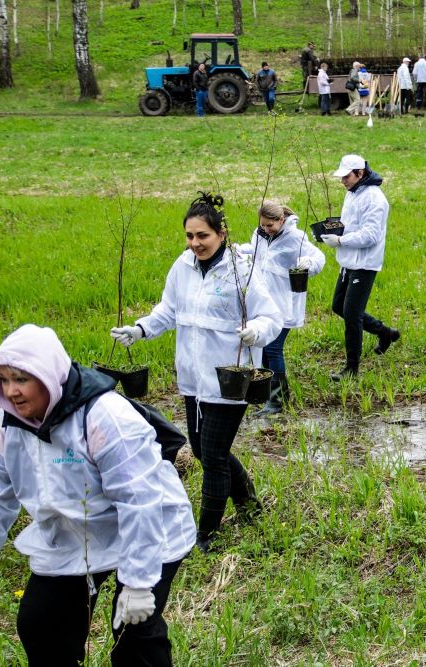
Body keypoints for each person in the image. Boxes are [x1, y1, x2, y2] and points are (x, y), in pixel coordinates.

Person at [0, 324, 196, 666]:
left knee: (133, 632)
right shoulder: (7, 427)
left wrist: (137, 584)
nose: (12, 391)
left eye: (21, 379)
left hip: (152, 526)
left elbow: (140, 501)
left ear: (48, 376)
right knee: (40, 624)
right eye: (3, 380)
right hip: (77, 533)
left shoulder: (104, 418)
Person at [110, 192, 282, 551]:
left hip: (230, 378)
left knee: (214, 456)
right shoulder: (183, 266)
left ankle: (206, 534)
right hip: (193, 377)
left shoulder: (240, 268)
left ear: (221, 232)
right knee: (204, 452)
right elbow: (168, 310)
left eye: (202, 236)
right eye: (189, 236)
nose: (195, 243)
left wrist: (257, 332)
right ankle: (249, 502)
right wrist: (140, 329)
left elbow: (271, 315)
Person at [238, 200, 325, 415]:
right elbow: (260, 255)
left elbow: (318, 258)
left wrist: (307, 264)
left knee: (272, 348)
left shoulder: (296, 237)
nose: (266, 229)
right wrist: (241, 250)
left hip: (284, 302)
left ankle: (278, 400)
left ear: (282, 220)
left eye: (270, 225)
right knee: (264, 348)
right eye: (263, 225)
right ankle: (271, 394)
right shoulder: (259, 234)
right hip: (262, 302)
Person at [319, 155, 400, 381]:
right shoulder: (352, 193)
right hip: (348, 260)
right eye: (342, 176)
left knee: (352, 314)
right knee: (338, 306)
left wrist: (341, 241)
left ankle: (352, 369)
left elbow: (371, 235)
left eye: (347, 176)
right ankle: (387, 334)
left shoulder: (375, 199)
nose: (343, 180)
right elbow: (351, 224)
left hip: (365, 263)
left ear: (360, 173)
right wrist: (332, 230)